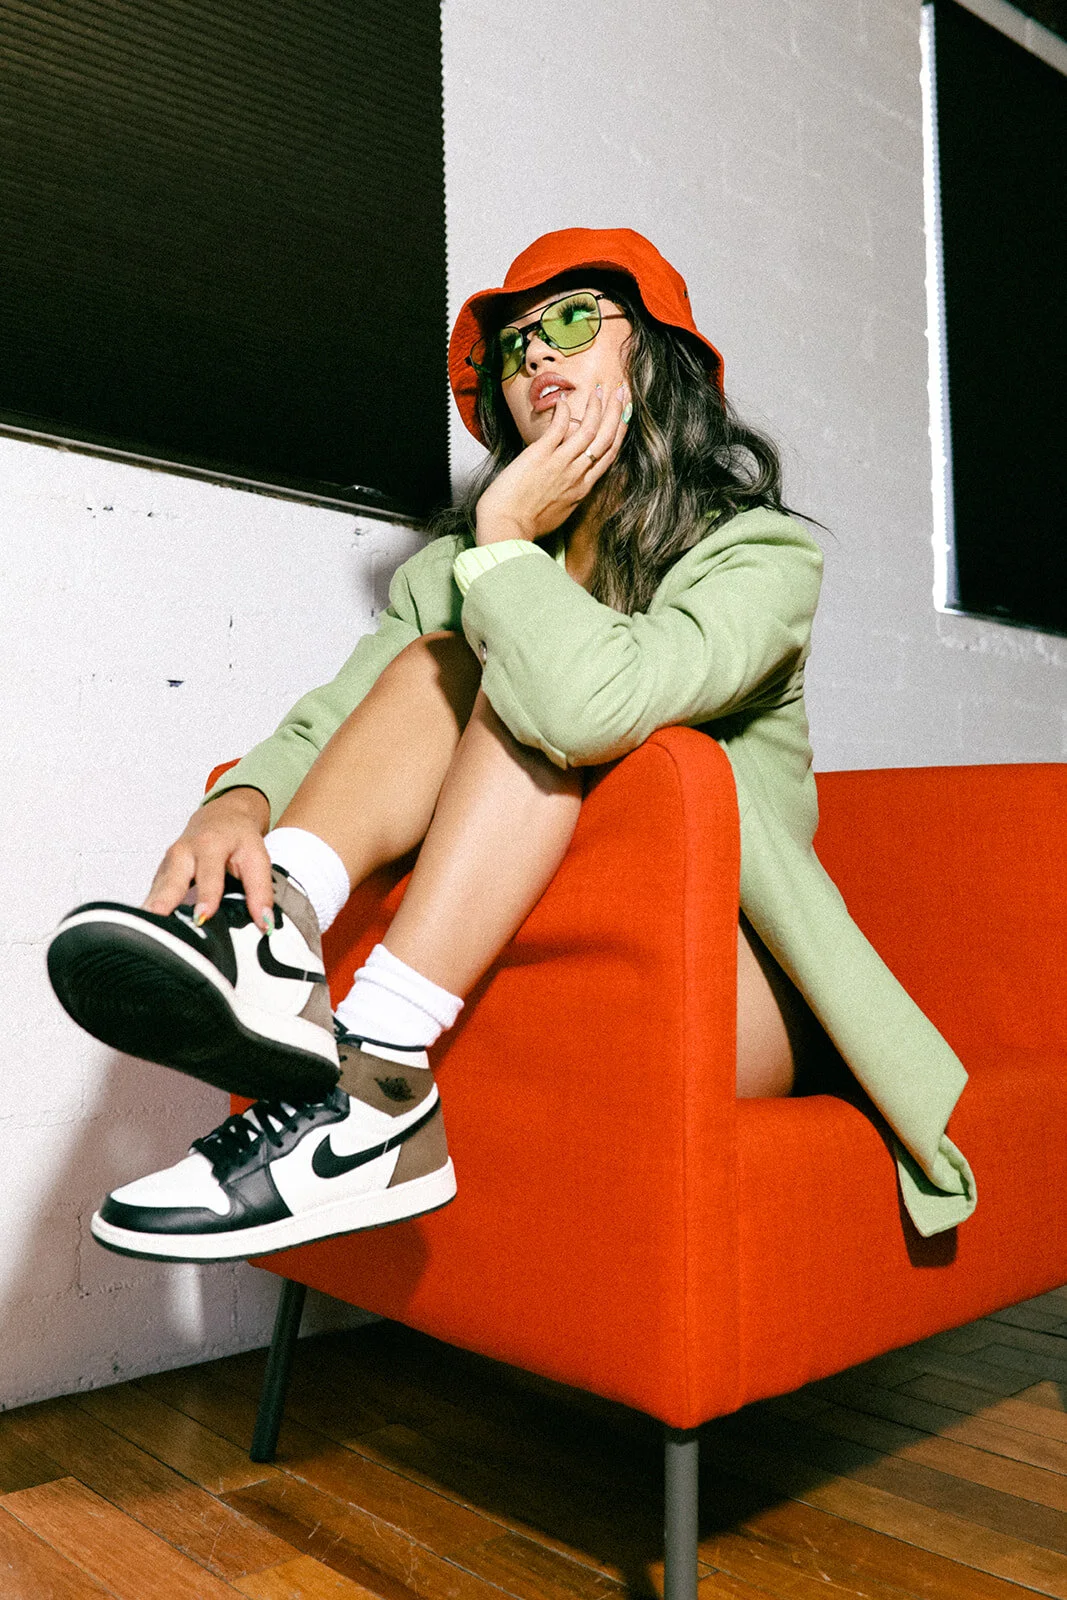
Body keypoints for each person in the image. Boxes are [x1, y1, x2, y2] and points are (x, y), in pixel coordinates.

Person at [46, 227, 976, 1262]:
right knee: (435, 663)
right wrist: (242, 802)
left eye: (571, 322)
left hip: (730, 978)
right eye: (511, 347)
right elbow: (339, 715)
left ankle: (374, 1076)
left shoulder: (757, 554)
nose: (533, 354)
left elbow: (583, 706)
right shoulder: (449, 575)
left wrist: (501, 541)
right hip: (517, 954)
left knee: (519, 679)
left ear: (655, 357)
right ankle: (290, 963)